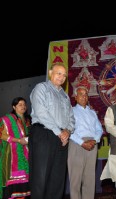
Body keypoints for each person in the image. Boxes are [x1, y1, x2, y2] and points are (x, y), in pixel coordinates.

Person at [29, 62, 75, 199]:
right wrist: (59, 132)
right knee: (41, 178)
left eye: (64, 75)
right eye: (58, 73)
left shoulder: (65, 96)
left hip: (61, 139)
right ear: (50, 73)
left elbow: (71, 118)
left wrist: (67, 131)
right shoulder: (41, 88)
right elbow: (41, 112)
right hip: (44, 134)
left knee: (57, 179)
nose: (61, 77)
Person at [67, 86, 103, 199]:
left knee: (89, 179)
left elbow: (99, 129)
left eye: (86, 94)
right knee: (75, 179)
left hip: (92, 145)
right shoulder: (70, 111)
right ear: (76, 98)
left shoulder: (92, 113)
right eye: (81, 94)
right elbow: (68, 130)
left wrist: (94, 140)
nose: (84, 96)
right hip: (76, 144)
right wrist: (82, 143)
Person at [0, 97, 31, 199]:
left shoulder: (27, 121)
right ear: (14, 107)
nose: (23, 106)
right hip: (12, 154)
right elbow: (2, 134)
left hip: (26, 153)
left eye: (24, 104)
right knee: (15, 178)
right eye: (20, 105)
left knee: (26, 178)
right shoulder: (7, 119)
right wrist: (18, 140)